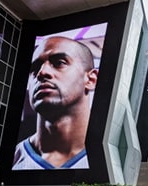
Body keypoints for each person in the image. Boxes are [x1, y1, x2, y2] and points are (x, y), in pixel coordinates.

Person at [12, 36, 98, 170]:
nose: (42, 72)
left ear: (90, 80)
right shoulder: (12, 160)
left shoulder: (106, 158)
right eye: (34, 68)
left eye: (59, 62)